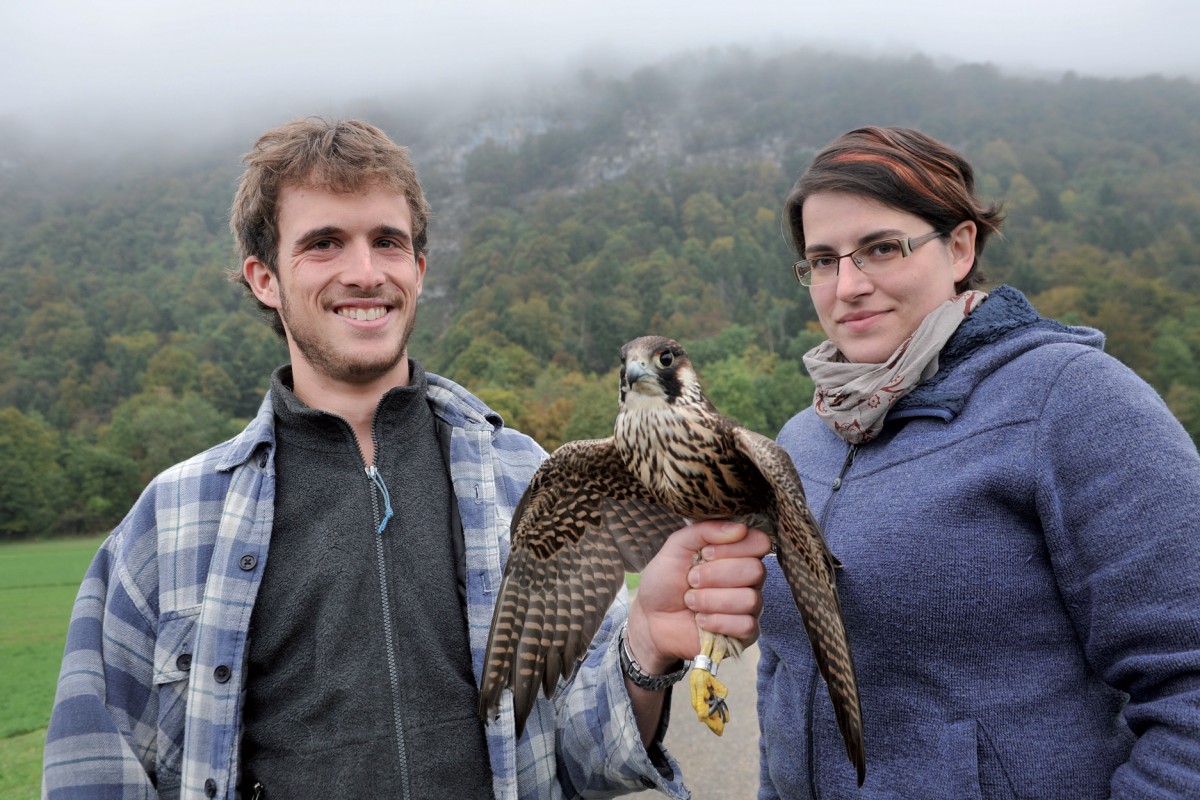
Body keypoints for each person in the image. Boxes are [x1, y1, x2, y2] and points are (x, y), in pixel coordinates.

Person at [42, 117, 771, 800]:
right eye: (323, 242)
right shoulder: (170, 521)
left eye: (387, 242)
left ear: (419, 269)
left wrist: (644, 641)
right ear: (263, 278)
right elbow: (94, 766)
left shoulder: (527, 480)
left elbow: (581, 753)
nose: (364, 272)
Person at [756, 125, 1200, 799]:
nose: (847, 286)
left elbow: (1189, 687)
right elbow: (783, 674)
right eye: (823, 260)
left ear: (959, 247)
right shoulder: (803, 438)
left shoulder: (1069, 402)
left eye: (881, 248)